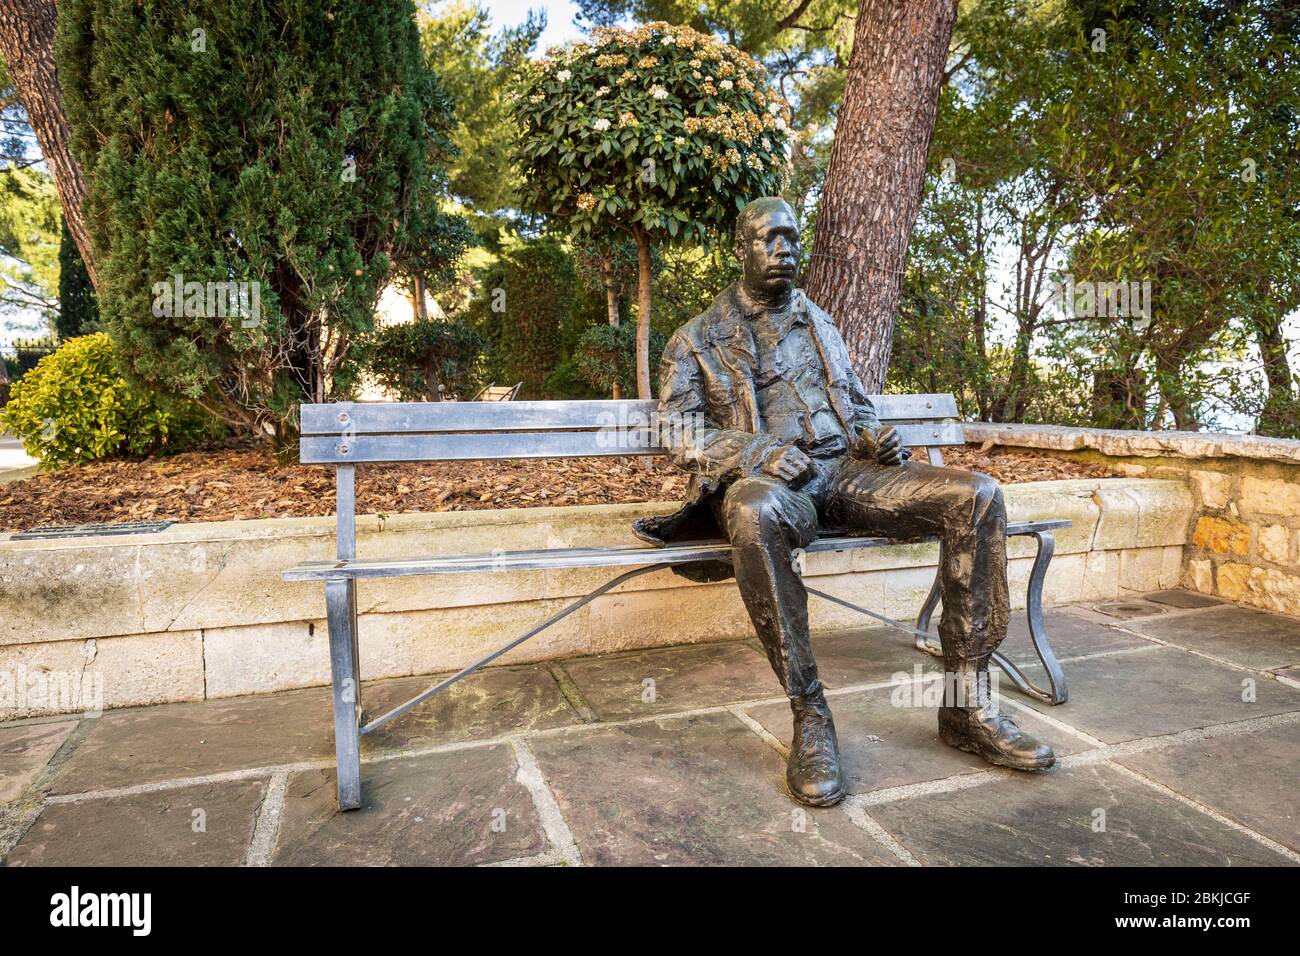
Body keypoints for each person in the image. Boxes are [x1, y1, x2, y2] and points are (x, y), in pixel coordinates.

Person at [634, 197, 1055, 807]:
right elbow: (678, 429)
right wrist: (758, 452)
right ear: (741, 248)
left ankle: (967, 705)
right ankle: (810, 715)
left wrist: (872, 434)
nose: (783, 250)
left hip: (848, 473)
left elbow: (854, 403)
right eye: (769, 239)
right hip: (775, 486)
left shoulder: (818, 321)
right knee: (753, 510)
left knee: (978, 494)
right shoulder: (696, 338)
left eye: (791, 238)